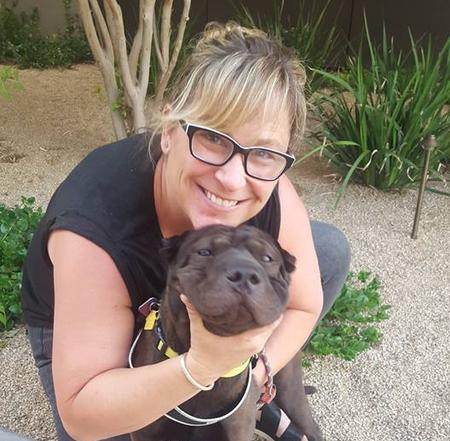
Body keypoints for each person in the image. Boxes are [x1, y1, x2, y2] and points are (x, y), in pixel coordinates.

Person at [22, 22, 350, 441]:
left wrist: (249, 373)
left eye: (263, 152)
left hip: (202, 311)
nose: (232, 179)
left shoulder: (267, 184)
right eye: (212, 137)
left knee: (328, 251)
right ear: (169, 130)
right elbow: (83, 412)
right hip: (91, 325)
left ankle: (244, 400)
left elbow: (303, 305)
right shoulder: (96, 225)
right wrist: (202, 368)